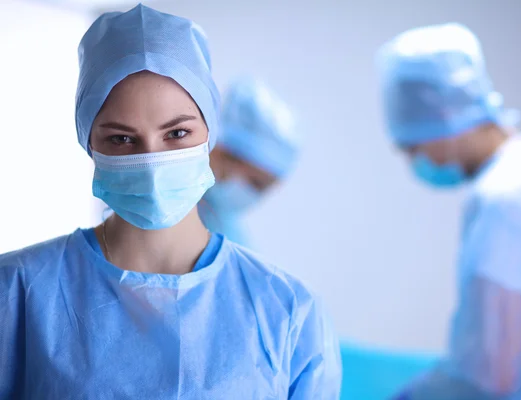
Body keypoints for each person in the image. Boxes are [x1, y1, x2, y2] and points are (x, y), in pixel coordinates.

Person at [0, 5, 341, 399]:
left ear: (210, 135)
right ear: (88, 142)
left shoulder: (288, 311)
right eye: (122, 138)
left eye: (177, 133)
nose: (152, 161)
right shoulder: (16, 292)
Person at [377, 23, 521, 399]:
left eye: (413, 148)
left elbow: (492, 373)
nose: (416, 162)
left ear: (444, 120)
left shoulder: (504, 203)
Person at [198, 77, 299, 247]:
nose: (253, 195)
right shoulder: (156, 198)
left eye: (264, 188)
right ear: (224, 151)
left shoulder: (230, 236)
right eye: (256, 183)